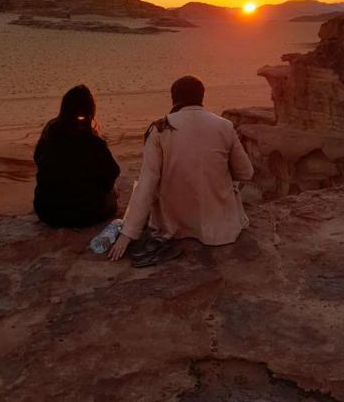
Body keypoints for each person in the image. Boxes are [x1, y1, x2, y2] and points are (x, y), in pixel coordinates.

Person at [108, 75, 254, 265]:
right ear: (202, 97)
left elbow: (148, 184)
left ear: (173, 99)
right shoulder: (224, 126)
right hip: (219, 228)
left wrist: (128, 233)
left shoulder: (160, 128)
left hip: (173, 226)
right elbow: (246, 173)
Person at [33, 84, 120, 228]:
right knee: (112, 193)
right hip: (85, 214)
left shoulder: (49, 133)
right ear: (91, 110)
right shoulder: (93, 141)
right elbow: (113, 172)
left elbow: (37, 159)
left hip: (46, 212)